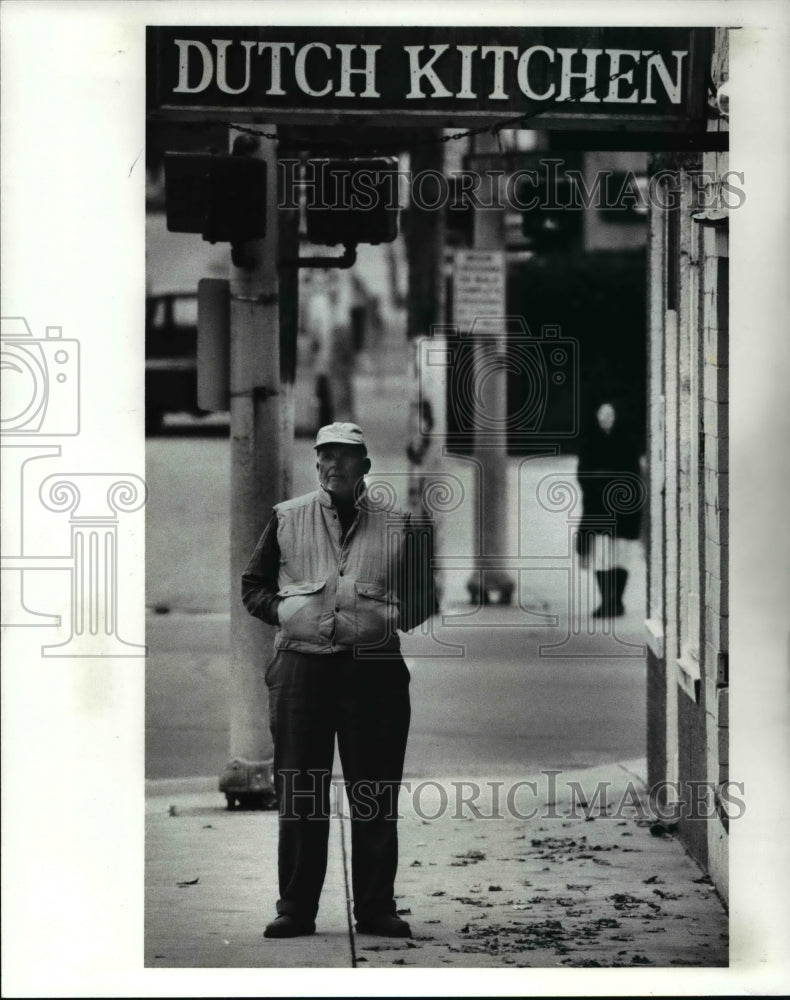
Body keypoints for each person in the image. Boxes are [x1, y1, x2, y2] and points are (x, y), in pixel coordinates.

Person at [242, 422, 437, 939]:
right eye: (324, 456)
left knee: (373, 793)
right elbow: (253, 586)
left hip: (374, 671)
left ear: (365, 467)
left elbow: (425, 597)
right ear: (317, 464)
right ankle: (295, 909)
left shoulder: (400, 523)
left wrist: (385, 620)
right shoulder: (287, 517)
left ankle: (375, 909)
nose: (333, 465)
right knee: (300, 792)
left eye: (345, 457)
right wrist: (286, 611)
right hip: (301, 668)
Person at [575, 401, 644, 618]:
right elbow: (583, 474)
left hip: (623, 512)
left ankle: (617, 601)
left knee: (621, 556)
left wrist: (605, 482)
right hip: (598, 511)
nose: (605, 418)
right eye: (602, 414)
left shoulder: (628, 442)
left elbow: (633, 477)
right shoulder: (590, 442)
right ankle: (607, 600)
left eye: (609, 414)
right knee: (600, 557)